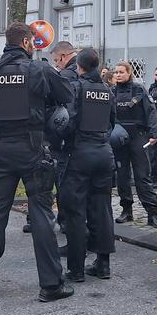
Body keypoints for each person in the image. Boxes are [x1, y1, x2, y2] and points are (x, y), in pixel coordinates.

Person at [0, 22, 75, 302]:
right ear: (27, 42)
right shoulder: (38, 69)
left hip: (1, 149)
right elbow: (67, 95)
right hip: (33, 147)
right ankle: (51, 285)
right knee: (41, 212)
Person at [58, 48, 117, 281]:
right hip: (104, 153)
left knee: (75, 211)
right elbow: (112, 122)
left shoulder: (76, 88)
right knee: (102, 210)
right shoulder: (107, 91)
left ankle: (76, 269)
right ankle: (103, 265)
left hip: (80, 153)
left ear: (79, 67)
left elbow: (67, 121)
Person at [25, 41, 79, 234]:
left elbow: (63, 109)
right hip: (86, 140)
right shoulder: (88, 72)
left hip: (62, 138)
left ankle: (63, 222)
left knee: (59, 181)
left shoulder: (65, 75)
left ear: (64, 56)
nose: (57, 64)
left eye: (57, 60)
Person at [111, 61, 157, 228]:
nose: (118, 74)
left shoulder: (138, 89)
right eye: (116, 72)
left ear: (129, 73)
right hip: (119, 139)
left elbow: (151, 111)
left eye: (121, 72)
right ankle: (126, 210)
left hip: (138, 137)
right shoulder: (111, 92)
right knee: (122, 176)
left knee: (142, 176)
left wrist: (153, 133)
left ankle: (152, 213)